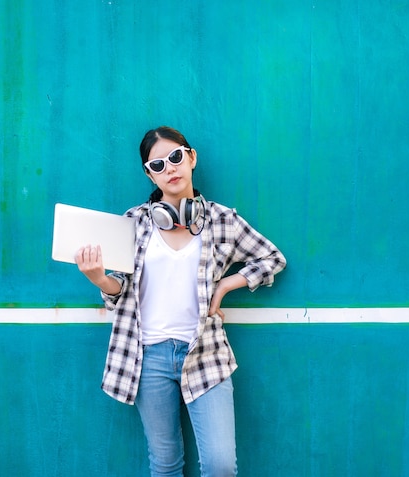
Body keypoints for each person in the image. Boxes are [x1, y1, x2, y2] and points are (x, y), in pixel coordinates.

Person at [75, 126, 286, 477]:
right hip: (147, 356)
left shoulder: (222, 220)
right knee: (165, 465)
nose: (169, 168)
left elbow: (272, 259)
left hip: (205, 351)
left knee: (220, 467)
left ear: (191, 157)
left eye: (175, 157)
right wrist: (99, 278)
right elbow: (119, 294)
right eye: (157, 165)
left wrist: (225, 287)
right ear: (149, 174)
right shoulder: (133, 222)